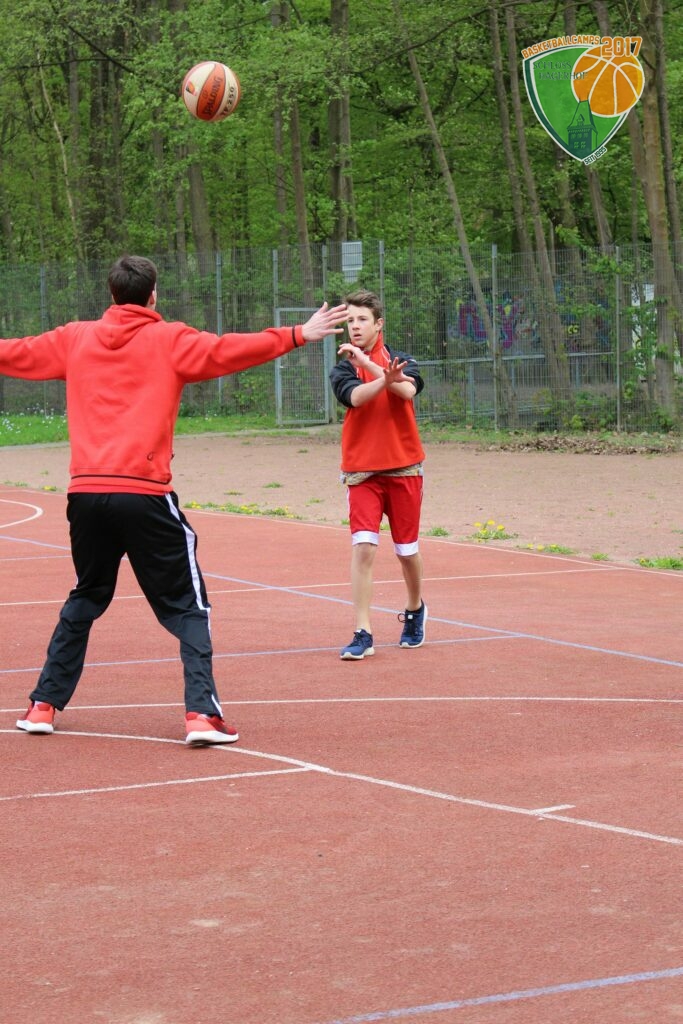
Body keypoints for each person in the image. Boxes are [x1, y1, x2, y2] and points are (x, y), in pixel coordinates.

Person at [0, 255, 347, 744]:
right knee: (189, 605)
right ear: (153, 295)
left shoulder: (75, 338)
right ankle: (201, 714)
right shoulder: (171, 339)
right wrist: (296, 334)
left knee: (88, 594)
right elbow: (229, 350)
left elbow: (12, 352)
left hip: (86, 495)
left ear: (111, 294)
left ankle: (43, 705)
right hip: (144, 494)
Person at [329, 289, 427, 660]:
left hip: (405, 468)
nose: (354, 327)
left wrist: (373, 367)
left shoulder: (403, 361)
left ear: (378, 324)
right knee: (364, 547)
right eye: (350, 321)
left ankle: (415, 609)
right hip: (362, 472)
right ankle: (363, 631)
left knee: (407, 551)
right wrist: (371, 371)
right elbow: (355, 398)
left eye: (362, 319)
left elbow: (406, 391)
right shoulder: (343, 367)